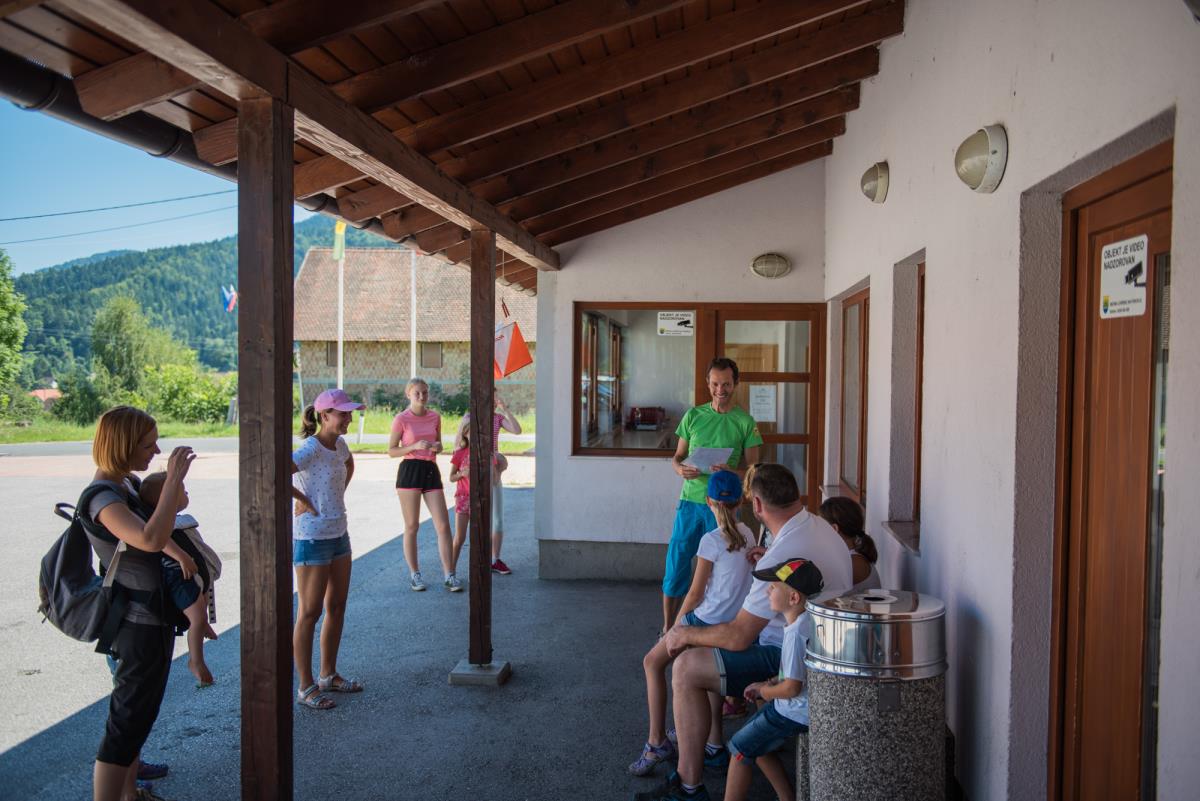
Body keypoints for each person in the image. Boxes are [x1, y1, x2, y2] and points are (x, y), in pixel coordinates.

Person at [638, 463, 852, 801]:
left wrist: (683, 634)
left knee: (686, 667)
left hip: (793, 656)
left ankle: (689, 786)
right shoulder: (819, 527)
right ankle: (711, 749)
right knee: (702, 658)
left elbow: (738, 636)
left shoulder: (779, 555)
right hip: (830, 650)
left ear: (757, 504)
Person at [83, 405, 195, 801]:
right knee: (126, 722)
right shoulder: (102, 498)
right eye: (148, 445)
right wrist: (172, 481)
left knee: (139, 716)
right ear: (123, 446)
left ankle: (130, 792)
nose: (156, 451)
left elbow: (156, 532)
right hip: (134, 622)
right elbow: (148, 539)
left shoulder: (125, 485)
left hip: (151, 616)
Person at [630, 470, 755, 777]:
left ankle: (656, 741)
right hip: (730, 622)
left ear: (708, 501)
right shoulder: (749, 534)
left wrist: (675, 627)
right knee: (709, 678)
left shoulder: (711, 540)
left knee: (651, 663)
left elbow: (696, 593)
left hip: (703, 620)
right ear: (741, 501)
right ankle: (714, 744)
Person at [664, 357, 762, 634]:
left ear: (736, 384)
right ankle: (667, 627)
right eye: (715, 384)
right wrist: (679, 469)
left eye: (726, 384)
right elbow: (677, 456)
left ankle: (709, 627)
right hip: (690, 501)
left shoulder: (745, 421)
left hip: (725, 505)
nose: (721, 390)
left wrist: (733, 471)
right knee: (677, 564)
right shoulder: (693, 416)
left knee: (723, 570)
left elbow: (754, 470)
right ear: (708, 383)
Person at [723, 558, 825, 801]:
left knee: (739, 748)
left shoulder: (795, 634)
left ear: (793, 598)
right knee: (757, 744)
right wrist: (769, 683)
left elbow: (792, 688)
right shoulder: (806, 622)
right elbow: (794, 675)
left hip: (792, 712)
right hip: (800, 707)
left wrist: (764, 692)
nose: (768, 590)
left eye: (774, 586)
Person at [292, 388, 365, 710]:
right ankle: (305, 686)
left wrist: (335, 495)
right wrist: (304, 500)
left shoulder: (340, 445)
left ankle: (328, 675)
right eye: (343, 413)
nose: (348, 418)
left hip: (339, 533)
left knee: (337, 605)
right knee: (309, 612)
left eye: (350, 413)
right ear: (324, 416)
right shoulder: (310, 448)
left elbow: (348, 465)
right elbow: (276, 472)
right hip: (312, 538)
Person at [140, 471, 219, 687]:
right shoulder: (161, 523)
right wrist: (181, 557)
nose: (187, 493)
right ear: (168, 498)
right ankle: (196, 661)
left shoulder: (175, 520)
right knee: (197, 616)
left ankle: (202, 624)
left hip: (194, 574)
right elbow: (161, 540)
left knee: (202, 602)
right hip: (179, 576)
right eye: (182, 491)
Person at [389, 378, 457, 591]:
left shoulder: (435, 416)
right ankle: (415, 574)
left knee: (443, 525)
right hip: (410, 470)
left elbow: (440, 445)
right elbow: (392, 450)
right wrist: (414, 446)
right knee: (412, 526)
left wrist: (437, 447)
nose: (421, 396)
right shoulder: (401, 419)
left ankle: (449, 575)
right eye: (417, 393)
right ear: (408, 394)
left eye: (425, 392)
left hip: (430, 469)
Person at [458, 393, 522, 574]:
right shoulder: (469, 417)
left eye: (496, 398)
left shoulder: (498, 418)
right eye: (491, 398)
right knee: (478, 517)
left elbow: (517, 430)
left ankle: (495, 559)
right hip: (476, 472)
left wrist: (505, 409)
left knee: (497, 519)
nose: (495, 401)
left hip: (493, 471)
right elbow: (458, 446)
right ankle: (479, 559)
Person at [818, 496, 881, 592]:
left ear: (834, 529)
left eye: (820, 525)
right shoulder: (847, 557)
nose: (817, 530)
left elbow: (815, 591)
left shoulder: (853, 563)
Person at [447, 427, 471, 578]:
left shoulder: (486, 453)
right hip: (463, 497)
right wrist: (462, 473)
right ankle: (450, 571)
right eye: (471, 432)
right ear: (465, 434)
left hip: (481, 498)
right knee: (460, 537)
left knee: (481, 537)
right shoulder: (460, 453)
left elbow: (494, 477)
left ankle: (478, 573)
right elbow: (451, 477)